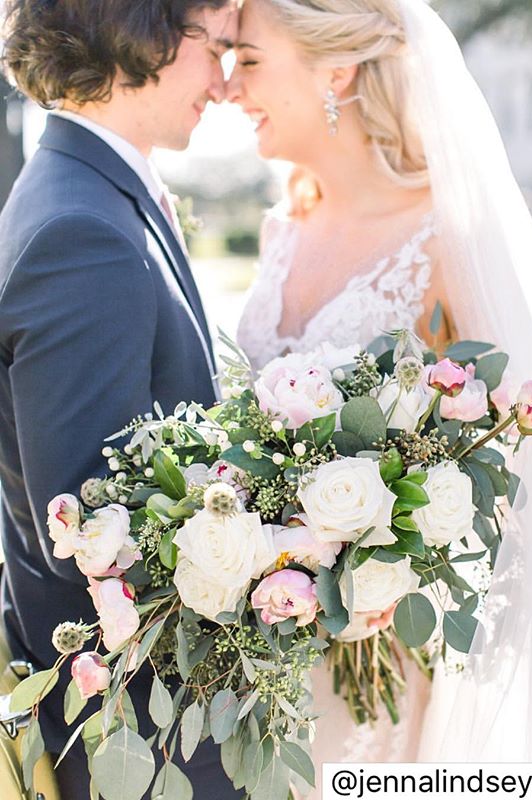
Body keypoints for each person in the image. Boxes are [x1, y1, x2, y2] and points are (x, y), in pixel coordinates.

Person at [227, 0, 532, 786]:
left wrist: (395, 562)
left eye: (248, 61)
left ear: (334, 67)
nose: (229, 89)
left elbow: (523, 454)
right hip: (261, 651)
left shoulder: (447, 235)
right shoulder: (285, 226)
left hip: (379, 656)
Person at [0, 1, 241, 797]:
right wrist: (305, 544)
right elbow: (93, 537)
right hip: (142, 739)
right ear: (146, 29)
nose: (223, 76)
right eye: (215, 43)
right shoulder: (84, 230)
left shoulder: (89, 189)